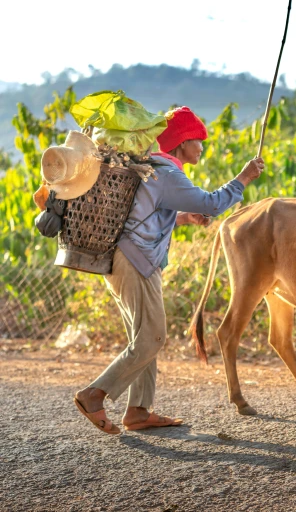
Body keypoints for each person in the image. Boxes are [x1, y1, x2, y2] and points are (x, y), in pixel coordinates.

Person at [73, 106, 266, 434]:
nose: (202, 147)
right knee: (152, 336)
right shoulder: (167, 172)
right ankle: (94, 394)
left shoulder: (154, 168)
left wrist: (183, 218)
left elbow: (143, 215)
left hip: (125, 257)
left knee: (143, 336)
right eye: (198, 140)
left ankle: (138, 411)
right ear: (182, 142)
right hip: (135, 260)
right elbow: (212, 203)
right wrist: (244, 177)